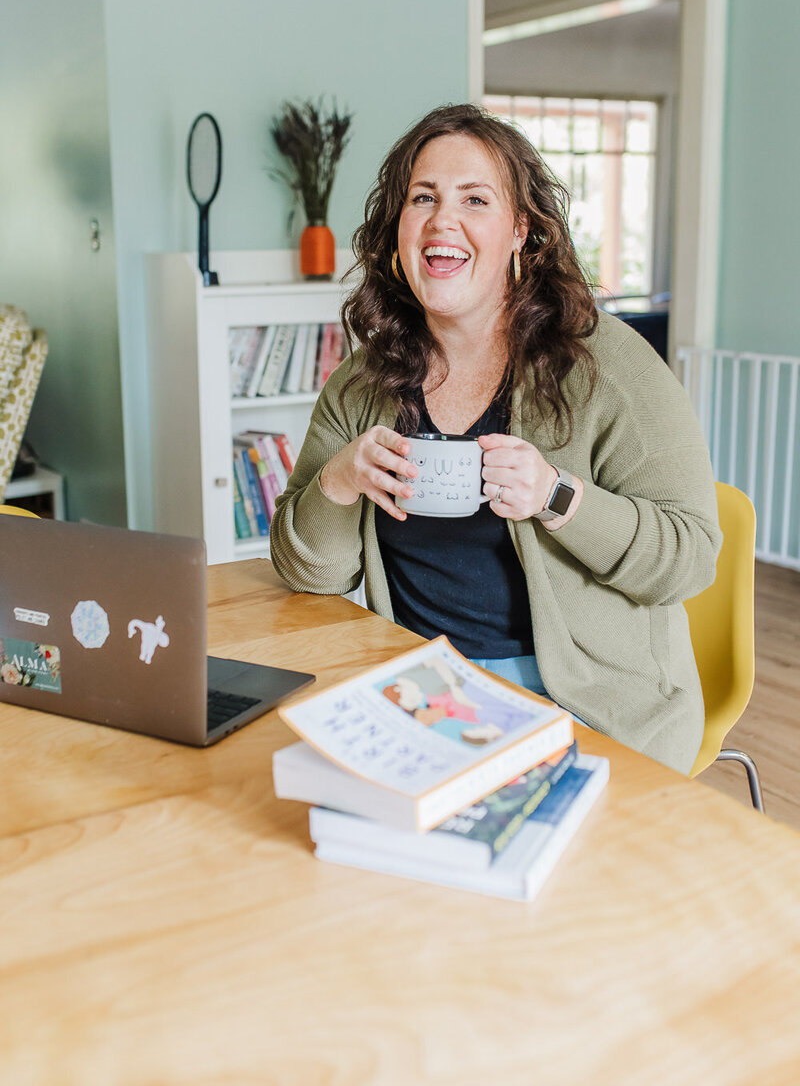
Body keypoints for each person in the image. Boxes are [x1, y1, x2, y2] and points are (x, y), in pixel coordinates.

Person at [270, 103, 721, 774]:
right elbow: (309, 572)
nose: (441, 220)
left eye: (474, 199)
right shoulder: (363, 383)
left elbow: (690, 560)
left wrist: (556, 496)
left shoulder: (611, 368)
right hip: (424, 697)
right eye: (422, 198)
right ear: (398, 229)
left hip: (590, 708)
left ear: (521, 230)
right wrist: (338, 481)